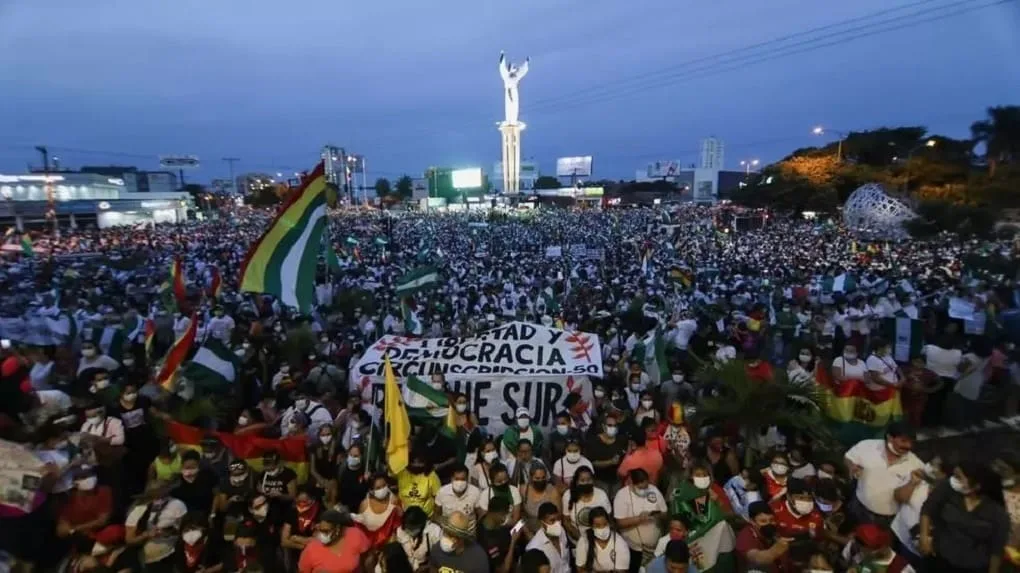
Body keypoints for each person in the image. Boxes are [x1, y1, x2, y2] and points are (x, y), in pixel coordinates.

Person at [920, 460, 1010, 573]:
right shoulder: (948, 488)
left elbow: (997, 550)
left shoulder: (997, 513)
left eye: (959, 477)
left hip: (971, 567)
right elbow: (928, 508)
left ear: (976, 486)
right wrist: (924, 536)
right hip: (940, 557)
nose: (953, 480)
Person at [844, 422, 923, 526]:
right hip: (858, 506)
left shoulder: (916, 465)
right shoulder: (867, 446)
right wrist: (851, 467)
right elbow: (848, 457)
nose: (908, 445)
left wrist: (912, 483)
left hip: (886, 520)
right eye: (903, 441)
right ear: (890, 437)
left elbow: (903, 499)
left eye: (911, 442)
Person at [124, 479, 188, 571]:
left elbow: (183, 530)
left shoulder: (177, 505)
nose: (159, 497)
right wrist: (145, 535)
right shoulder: (139, 509)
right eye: (155, 494)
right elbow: (129, 540)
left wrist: (167, 532)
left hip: (170, 551)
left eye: (162, 492)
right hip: (145, 554)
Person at [613, 469, 667, 573]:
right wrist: (639, 519)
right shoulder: (622, 495)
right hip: (633, 549)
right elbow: (620, 523)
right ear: (631, 483)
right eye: (640, 487)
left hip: (654, 548)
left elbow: (665, 514)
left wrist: (656, 514)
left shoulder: (654, 490)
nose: (644, 490)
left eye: (646, 487)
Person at [298, 509, 372, 573]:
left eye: (326, 531)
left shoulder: (355, 535)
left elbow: (367, 558)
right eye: (321, 530)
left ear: (337, 529)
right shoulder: (311, 549)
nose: (322, 535)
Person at [734, 501, 790, 573]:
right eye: (763, 521)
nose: (768, 524)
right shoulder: (745, 538)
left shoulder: (779, 530)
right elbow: (756, 557)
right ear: (752, 521)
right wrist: (774, 552)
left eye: (771, 520)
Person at [574, 506, 630, 573]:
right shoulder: (584, 541)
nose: (602, 528)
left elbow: (622, 571)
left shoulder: (620, 544)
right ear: (592, 527)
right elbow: (580, 569)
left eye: (605, 524)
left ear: (609, 523)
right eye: (597, 525)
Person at [282, 487, 324, 570]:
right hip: (296, 555)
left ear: (312, 500)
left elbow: (318, 540)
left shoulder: (320, 513)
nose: (301, 504)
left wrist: (296, 538)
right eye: (298, 501)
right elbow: (284, 541)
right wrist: (303, 545)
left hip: (316, 556)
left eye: (304, 501)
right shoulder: (292, 511)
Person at [72, 524, 139, 573]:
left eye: (82, 562)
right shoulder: (100, 561)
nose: (86, 566)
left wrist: (109, 564)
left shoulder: (126, 554)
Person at [394, 506, 442, 571]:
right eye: (407, 528)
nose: (409, 531)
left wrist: (427, 566)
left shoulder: (434, 531)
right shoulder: (401, 531)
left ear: (420, 524)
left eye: (412, 528)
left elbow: (440, 557)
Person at [395, 452, 442, 518]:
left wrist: (435, 517)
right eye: (414, 462)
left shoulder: (432, 475)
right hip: (405, 515)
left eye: (419, 462)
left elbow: (438, 498)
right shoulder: (402, 474)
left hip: (426, 516)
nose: (416, 465)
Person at [526, 502, 569, 573]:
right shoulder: (534, 548)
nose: (557, 524)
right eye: (552, 520)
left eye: (558, 519)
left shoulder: (562, 531)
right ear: (541, 522)